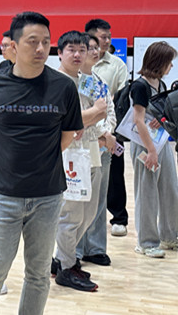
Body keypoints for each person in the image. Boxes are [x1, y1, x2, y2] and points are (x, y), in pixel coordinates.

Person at [0, 12, 83, 315]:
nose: (40, 48)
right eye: (32, 41)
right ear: (13, 45)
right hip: (4, 195)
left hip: (48, 196)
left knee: (38, 274)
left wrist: (40, 159)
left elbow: (67, 135)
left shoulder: (63, 87)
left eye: (46, 42)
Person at [52, 31, 116, 292]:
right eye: (72, 49)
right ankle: (67, 267)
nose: (78, 54)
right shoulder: (55, 81)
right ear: (60, 53)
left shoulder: (87, 81)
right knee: (71, 214)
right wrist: (90, 117)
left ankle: (62, 258)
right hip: (69, 155)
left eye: (82, 49)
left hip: (92, 151)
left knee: (89, 213)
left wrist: (102, 131)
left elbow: (105, 110)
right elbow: (68, 121)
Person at [130, 41, 178, 258]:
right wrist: (151, 151)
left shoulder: (161, 84)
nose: (171, 66)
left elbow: (157, 114)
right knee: (147, 193)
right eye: (169, 62)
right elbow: (138, 120)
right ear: (159, 62)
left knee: (171, 190)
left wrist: (161, 119)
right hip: (144, 145)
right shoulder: (139, 86)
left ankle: (169, 237)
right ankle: (146, 242)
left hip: (161, 142)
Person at [85, 18, 129, 239]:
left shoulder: (117, 64)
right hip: (87, 133)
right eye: (103, 37)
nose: (107, 41)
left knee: (114, 177)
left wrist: (108, 132)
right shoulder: (79, 68)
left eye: (109, 37)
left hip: (111, 130)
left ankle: (119, 218)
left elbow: (118, 99)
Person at [76, 33, 119, 266]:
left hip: (103, 147)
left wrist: (108, 133)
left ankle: (95, 247)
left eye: (95, 48)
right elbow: (83, 114)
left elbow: (109, 110)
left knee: (99, 201)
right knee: (79, 200)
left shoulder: (100, 80)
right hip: (83, 145)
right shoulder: (74, 81)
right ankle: (75, 250)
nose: (94, 52)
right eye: (88, 48)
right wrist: (103, 134)